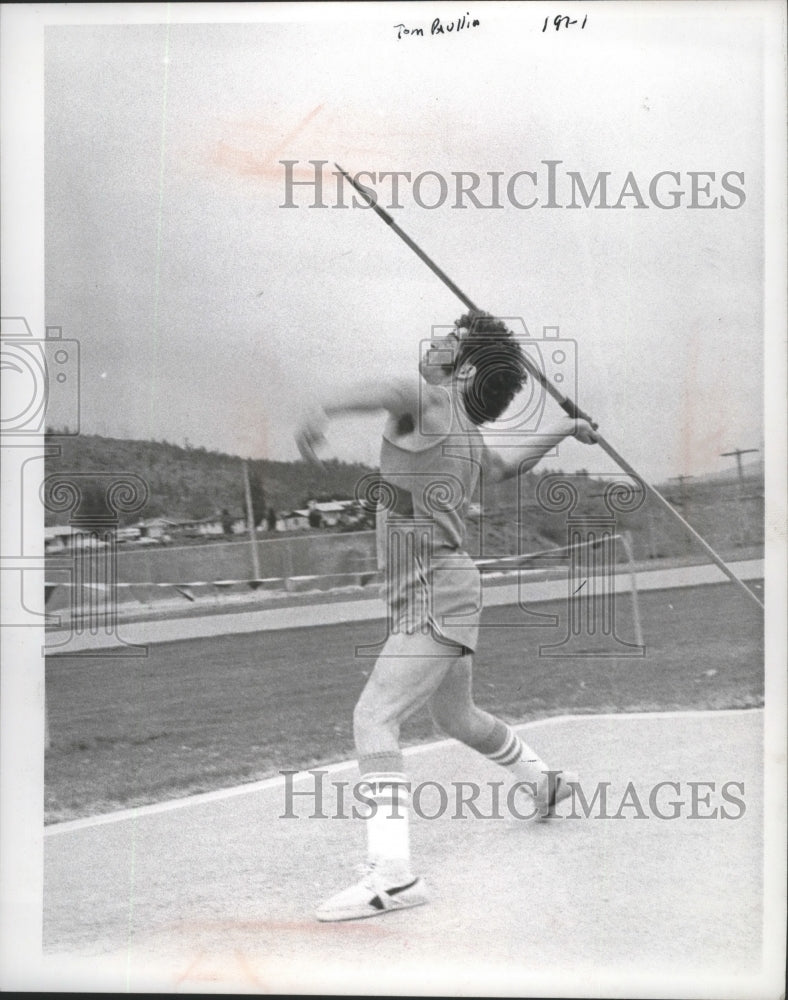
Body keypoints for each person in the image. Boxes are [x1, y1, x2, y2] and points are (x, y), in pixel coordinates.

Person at [295, 312, 598, 922]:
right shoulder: (469, 437)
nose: (432, 343)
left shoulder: (428, 399)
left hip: (436, 592)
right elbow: (509, 467)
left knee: (374, 716)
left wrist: (321, 409)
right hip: (441, 588)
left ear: (465, 369)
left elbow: (385, 390)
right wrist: (564, 427)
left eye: (449, 341)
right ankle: (543, 781)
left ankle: (394, 878)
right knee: (454, 716)